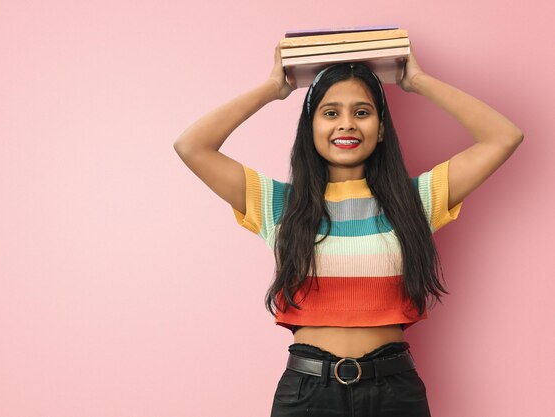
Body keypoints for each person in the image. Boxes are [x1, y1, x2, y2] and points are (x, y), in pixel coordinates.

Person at [173, 41, 523, 417]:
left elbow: (503, 136)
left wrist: (417, 81)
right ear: (310, 127)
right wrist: (273, 90)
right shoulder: (278, 204)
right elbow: (192, 146)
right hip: (307, 393)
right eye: (330, 112)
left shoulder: (415, 201)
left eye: (362, 112)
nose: (346, 124)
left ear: (382, 128)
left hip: (394, 392)